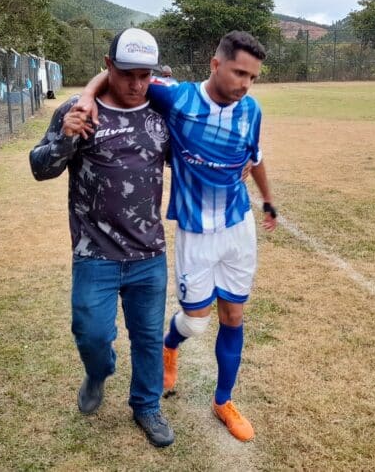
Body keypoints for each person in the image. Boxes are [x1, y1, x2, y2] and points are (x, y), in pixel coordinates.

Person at [79, 30, 278, 442]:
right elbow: (117, 75)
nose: (245, 83)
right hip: (195, 232)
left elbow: (254, 158)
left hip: (238, 227)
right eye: (239, 72)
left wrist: (268, 200)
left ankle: (223, 400)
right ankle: (171, 347)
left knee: (235, 316)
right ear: (215, 63)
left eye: (253, 77)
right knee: (196, 323)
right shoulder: (178, 98)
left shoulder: (251, 110)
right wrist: (85, 96)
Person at [28, 28, 175, 448]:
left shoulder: (161, 112)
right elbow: (40, 168)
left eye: (145, 74)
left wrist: (233, 166)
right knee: (91, 334)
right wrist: (67, 137)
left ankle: (146, 406)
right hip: (95, 254)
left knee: (147, 338)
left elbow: (194, 147)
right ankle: (98, 372)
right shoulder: (80, 111)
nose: (136, 84)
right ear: (108, 66)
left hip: (149, 253)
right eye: (127, 73)